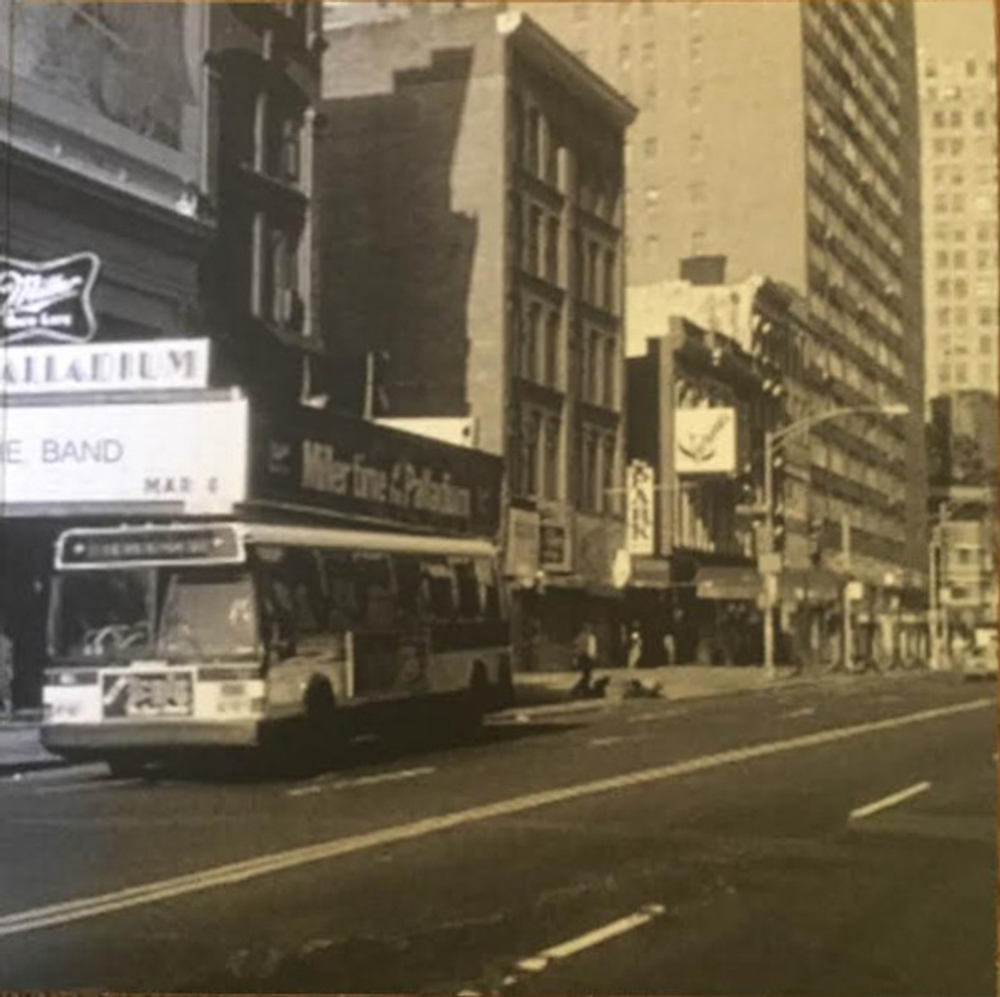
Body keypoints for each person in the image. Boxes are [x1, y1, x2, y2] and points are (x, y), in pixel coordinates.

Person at [572, 622, 598, 696]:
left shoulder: (589, 637)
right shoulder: (586, 636)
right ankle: (581, 689)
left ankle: (584, 688)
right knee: (587, 674)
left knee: (587, 674)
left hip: (586, 657)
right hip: (584, 657)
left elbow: (592, 648)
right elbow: (577, 646)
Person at [0, 618, 14, 720]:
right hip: (3, 671)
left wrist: (10, 671)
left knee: (5, 692)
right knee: (5, 692)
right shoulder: (7, 641)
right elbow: (9, 659)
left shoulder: (6, 642)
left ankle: (8, 712)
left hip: (2, 671)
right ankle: (8, 712)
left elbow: (9, 659)